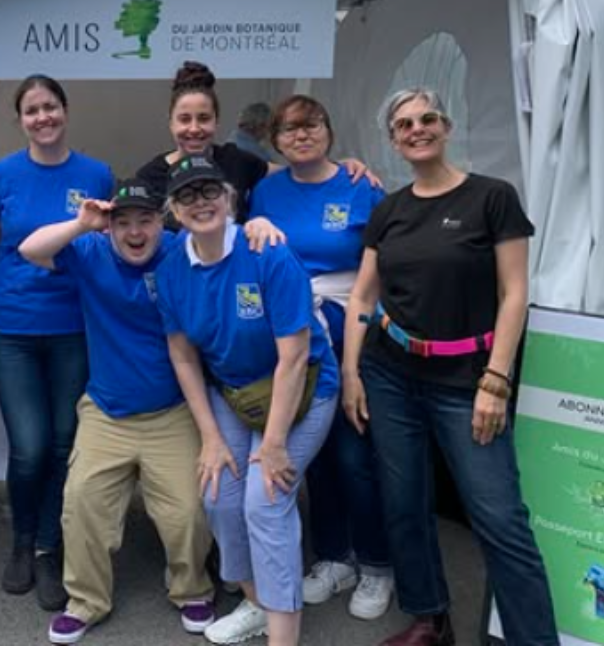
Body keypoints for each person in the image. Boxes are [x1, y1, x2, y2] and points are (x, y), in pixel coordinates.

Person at [342, 88, 557, 646]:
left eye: (427, 118)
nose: (417, 128)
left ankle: (534, 639)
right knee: (405, 503)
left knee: (499, 519)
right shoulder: (388, 210)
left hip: (468, 381)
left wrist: (497, 379)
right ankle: (428, 619)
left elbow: (515, 294)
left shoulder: (492, 198)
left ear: (447, 126)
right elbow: (363, 298)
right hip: (391, 374)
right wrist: (351, 375)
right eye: (404, 123)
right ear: (393, 139)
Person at [20, 179, 217, 643]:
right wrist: (82, 222)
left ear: (161, 222)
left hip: (172, 411)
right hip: (107, 411)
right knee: (82, 502)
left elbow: (231, 240)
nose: (134, 232)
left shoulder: (180, 249)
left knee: (188, 510)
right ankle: (86, 600)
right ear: (109, 226)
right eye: (122, 222)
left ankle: (191, 587)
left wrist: (261, 223)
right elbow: (31, 250)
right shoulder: (89, 249)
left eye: (145, 220)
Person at [156, 156, 338, 646]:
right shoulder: (173, 266)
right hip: (234, 394)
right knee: (218, 493)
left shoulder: (268, 252)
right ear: (174, 209)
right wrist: (211, 438)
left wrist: (274, 443)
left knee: (267, 498)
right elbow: (184, 357)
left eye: (210, 190)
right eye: (188, 195)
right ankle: (259, 601)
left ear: (231, 197)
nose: (201, 202)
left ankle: (283, 635)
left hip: (303, 386)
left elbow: (295, 358)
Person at [249, 95, 393, 620]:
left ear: (329, 131)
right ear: (276, 141)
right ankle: (335, 557)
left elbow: (386, 265)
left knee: (355, 453)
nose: (301, 135)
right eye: (288, 130)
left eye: (311, 125)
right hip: (292, 335)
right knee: (313, 456)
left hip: (350, 331)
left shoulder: (361, 186)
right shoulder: (265, 190)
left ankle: (377, 564)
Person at [0, 75, 114, 612]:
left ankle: (47, 549)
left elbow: (103, 248)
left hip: (73, 327)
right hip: (12, 330)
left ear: (65, 111)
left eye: (50, 107)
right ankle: (19, 540)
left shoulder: (95, 173)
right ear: (21, 119)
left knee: (63, 442)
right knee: (29, 446)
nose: (43, 117)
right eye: (32, 110)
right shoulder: (1, 176)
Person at [137, 61, 373, 223]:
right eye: (184, 119)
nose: (194, 128)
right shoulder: (150, 176)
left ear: (217, 122)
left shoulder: (236, 160)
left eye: (204, 118)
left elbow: (299, 171)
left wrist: (341, 165)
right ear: (170, 123)